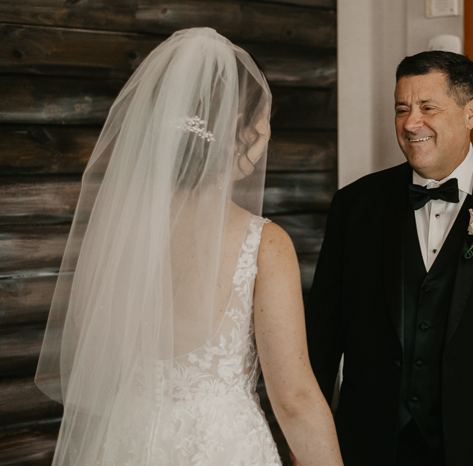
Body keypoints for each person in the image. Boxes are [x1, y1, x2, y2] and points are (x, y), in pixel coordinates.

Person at [35, 28, 343, 466]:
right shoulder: (264, 244)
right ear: (238, 134)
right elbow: (292, 398)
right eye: (261, 127)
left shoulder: (123, 232)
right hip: (218, 448)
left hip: (125, 438)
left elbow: (94, 357)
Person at [305, 51, 473, 465]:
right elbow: (323, 337)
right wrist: (304, 437)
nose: (411, 123)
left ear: (471, 112)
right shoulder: (353, 206)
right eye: (402, 109)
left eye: (427, 107)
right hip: (370, 440)